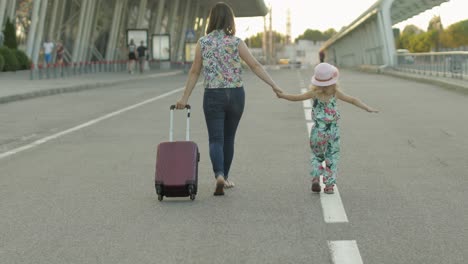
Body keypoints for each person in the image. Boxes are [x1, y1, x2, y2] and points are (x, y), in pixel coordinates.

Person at [175, 2, 283, 196]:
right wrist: (273, 85)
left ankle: (219, 175)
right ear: (229, 20)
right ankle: (225, 176)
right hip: (235, 94)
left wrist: (184, 98)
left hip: (213, 94)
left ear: (211, 20)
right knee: (229, 138)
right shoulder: (236, 42)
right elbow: (255, 65)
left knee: (216, 139)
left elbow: (194, 72)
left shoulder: (203, 43)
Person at [277, 63, 378, 194]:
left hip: (318, 131)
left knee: (316, 155)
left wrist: (282, 95)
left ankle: (315, 178)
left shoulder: (313, 94)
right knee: (332, 156)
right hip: (333, 132)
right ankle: (329, 186)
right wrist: (367, 108)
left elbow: (296, 98)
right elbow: (353, 100)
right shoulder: (335, 93)